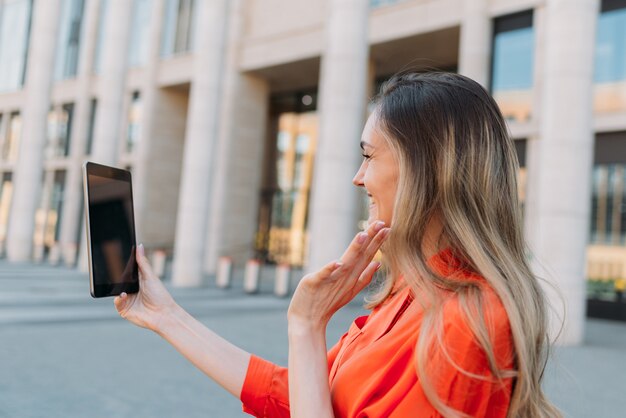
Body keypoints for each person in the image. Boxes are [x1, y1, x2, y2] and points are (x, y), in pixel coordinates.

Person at [115, 72, 562, 417]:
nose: (358, 176)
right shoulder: (405, 297)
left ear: (426, 168)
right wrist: (166, 316)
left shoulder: (471, 318)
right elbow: (297, 396)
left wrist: (307, 326)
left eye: (369, 156)